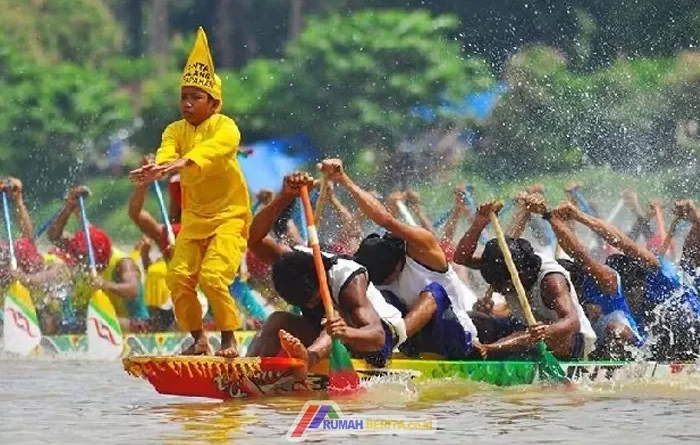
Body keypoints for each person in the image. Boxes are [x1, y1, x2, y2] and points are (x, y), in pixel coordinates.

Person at [128, 26, 250, 357]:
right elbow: (167, 153)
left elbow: (211, 152)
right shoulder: (174, 130)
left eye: (196, 97)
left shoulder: (226, 127)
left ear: (214, 102)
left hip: (230, 216)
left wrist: (176, 164)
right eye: (184, 96)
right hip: (195, 218)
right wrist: (158, 168)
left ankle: (229, 339)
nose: (187, 103)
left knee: (212, 277)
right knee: (178, 277)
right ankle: (198, 338)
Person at [246, 172, 407, 379]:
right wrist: (285, 196)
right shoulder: (291, 260)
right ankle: (250, 371)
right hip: (330, 334)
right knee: (277, 319)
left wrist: (344, 332)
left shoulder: (349, 281)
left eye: (313, 299)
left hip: (377, 341)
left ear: (318, 279)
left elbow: (377, 338)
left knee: (333, 319)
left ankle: (308, 360)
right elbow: (254, 239)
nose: (310, 306)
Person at [318, 158, 482, 360]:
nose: (386, 283)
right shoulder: (376, 275)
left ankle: (386, 345)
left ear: (398, 265)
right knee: (371, 297)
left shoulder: (422, 250)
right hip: (413, 344)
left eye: (387, 279)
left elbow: (385, 220)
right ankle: (349, 350)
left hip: (456, 340)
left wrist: (343, 179)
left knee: (434, 294)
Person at [454, 201, 597, 360]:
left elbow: (572, 322)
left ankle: (490, 351)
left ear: (519, 275)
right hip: (525, 330)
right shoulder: (502, 265)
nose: (497, 290)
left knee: (537, 338)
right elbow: (461, 258)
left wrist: (544, 331)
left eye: (501, 285)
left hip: (569, 341)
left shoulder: (551, 280)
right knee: (472, 319)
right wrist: (479, 222)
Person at [521, 195, 643, 358]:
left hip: (625, 340)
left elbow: (579, 253)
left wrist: (548, 215)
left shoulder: (607, 279)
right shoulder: (564, 292)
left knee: (614, 329)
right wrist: (523, 211)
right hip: (593, 341)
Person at [47, 186, 149, 333]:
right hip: (100, 318)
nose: (80, 261)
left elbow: (132, 289)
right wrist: (68, 209)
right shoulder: (84, 248)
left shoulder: (124, 264)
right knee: (56, 319)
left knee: (91, 321)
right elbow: (54, 236)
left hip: (133, 324)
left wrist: (105, 285)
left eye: (84, 258)